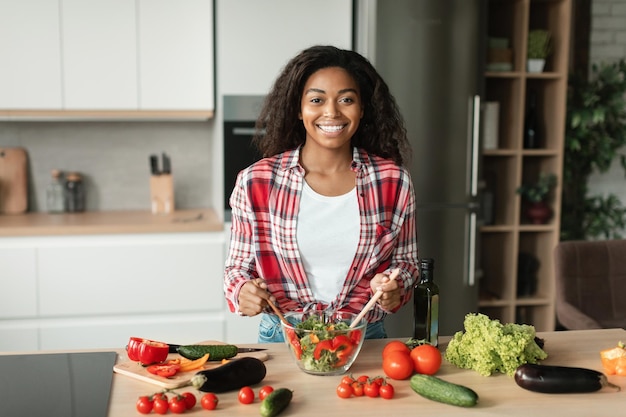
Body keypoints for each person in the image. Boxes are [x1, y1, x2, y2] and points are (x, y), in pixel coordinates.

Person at [224, 45, 419, 343]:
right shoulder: (256, 181)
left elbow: (406, 263)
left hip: (364, 338)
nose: (331, 112)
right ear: (298, 109)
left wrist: (395, 287)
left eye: (346, 100)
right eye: (317, 99)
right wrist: (242, 291)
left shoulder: (393, 180)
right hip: (283, 338)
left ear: (362, 108)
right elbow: (237, 268)